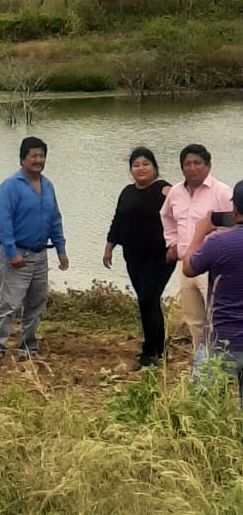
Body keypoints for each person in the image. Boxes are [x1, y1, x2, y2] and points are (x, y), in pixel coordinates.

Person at [0, 136, 68, 367]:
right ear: (23, 159)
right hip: (18, 255)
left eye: (41, 156)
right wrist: (12, 252)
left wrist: (61, 249)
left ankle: (28, 348)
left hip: (40, 254)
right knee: (9, 304)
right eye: (33, 156)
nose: (38, 160)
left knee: (36, 303)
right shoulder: (10, 186)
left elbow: (55, 219)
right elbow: (4, 223)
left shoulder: (48, 186)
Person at [103, 146, 175, 368]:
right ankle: (157, 348)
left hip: (160, 257)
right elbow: (117, 221)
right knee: (147, 302)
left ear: (154, 167)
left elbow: (182, 218)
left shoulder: (165, 190)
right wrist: (109, 247)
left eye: (146, 164)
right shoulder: (127, 192)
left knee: (148, 299)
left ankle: (151, 352)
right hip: (133, 257)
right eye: (136, 165)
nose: (141, 168)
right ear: (130, 170)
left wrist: (177, 246)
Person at [161, 144, 232, 350]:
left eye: (197, 163)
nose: (192, 168)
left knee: (217, 318)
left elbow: (234, 226)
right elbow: (166, 217)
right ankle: (201, 363)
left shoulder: (221, 192)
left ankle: (222, 361)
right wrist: (172, 244)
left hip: (213, 266)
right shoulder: (175, 192)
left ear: (208, 165)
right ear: (182, 167)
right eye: (187, 164)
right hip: (186, 264)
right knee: (194, 320)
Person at [183, 180, 243, 404]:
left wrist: (199, 233)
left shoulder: (218, 243)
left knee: (204, 408)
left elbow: (189, 268)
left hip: (221, 340)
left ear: (234, 209)